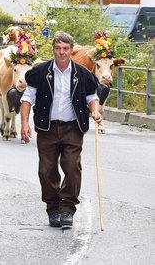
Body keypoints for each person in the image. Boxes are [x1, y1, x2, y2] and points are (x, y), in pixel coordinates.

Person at [20, 31, 102, 228]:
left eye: (66, 49)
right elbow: (27, 98)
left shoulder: (82, 74)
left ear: (71, 50)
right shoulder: (40, 72)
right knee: (46, 170)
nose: (62, 52)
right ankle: (53, 208)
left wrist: (96, 112)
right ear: (53, 49)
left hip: (73, 127)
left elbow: (92, 98)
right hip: (46, 127)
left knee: (72, 166)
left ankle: (67, 209)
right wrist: (24, 123)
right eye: (58, 48)